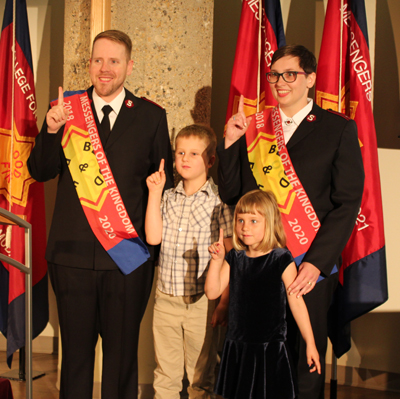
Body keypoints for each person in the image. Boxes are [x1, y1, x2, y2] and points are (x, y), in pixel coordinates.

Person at [27, 30, 173, 399]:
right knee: (74, 357)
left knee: (121, 358)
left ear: (129, 65)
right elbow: (41, 170)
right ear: (89, 63)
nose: (104, 70)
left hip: (126, 259)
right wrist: (51, 128)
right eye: (97, 60)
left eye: (113, 61)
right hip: (71, 256)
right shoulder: (67, 110)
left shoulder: (151, 117)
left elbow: (164, 182)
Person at [217, 45, 364, 399]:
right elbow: (231, 192)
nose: (280, 83)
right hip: (259, 265)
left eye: (290, 74)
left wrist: (315, 263)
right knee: (256, 354)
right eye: (274, 75)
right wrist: (230, 142)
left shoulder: (337, 129)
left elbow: (346, 204)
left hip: (307, 264)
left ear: (310, 79)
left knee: (304, 362)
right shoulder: (255, 128)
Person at [205, 190, 321, 399]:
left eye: (253, 221)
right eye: (240, 220)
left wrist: (310, 343)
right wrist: (216, 261)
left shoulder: (280, 258)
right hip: (238, 346)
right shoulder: (236, 258)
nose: (245, 227)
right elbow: (212, 291)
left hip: (269, 348)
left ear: (270, 223)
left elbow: (296, 303)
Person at [145, 124, 233, 399]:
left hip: (201, 305)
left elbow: (230, 258)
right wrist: (154, 193)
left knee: (201, 378)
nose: (185, 158)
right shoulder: (167, 197)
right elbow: (153, 237)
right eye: (180, 152)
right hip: (166, 299)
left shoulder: (220, 203)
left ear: (210, 160)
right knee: (165, 376)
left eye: (194, 153)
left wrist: (224, 302)